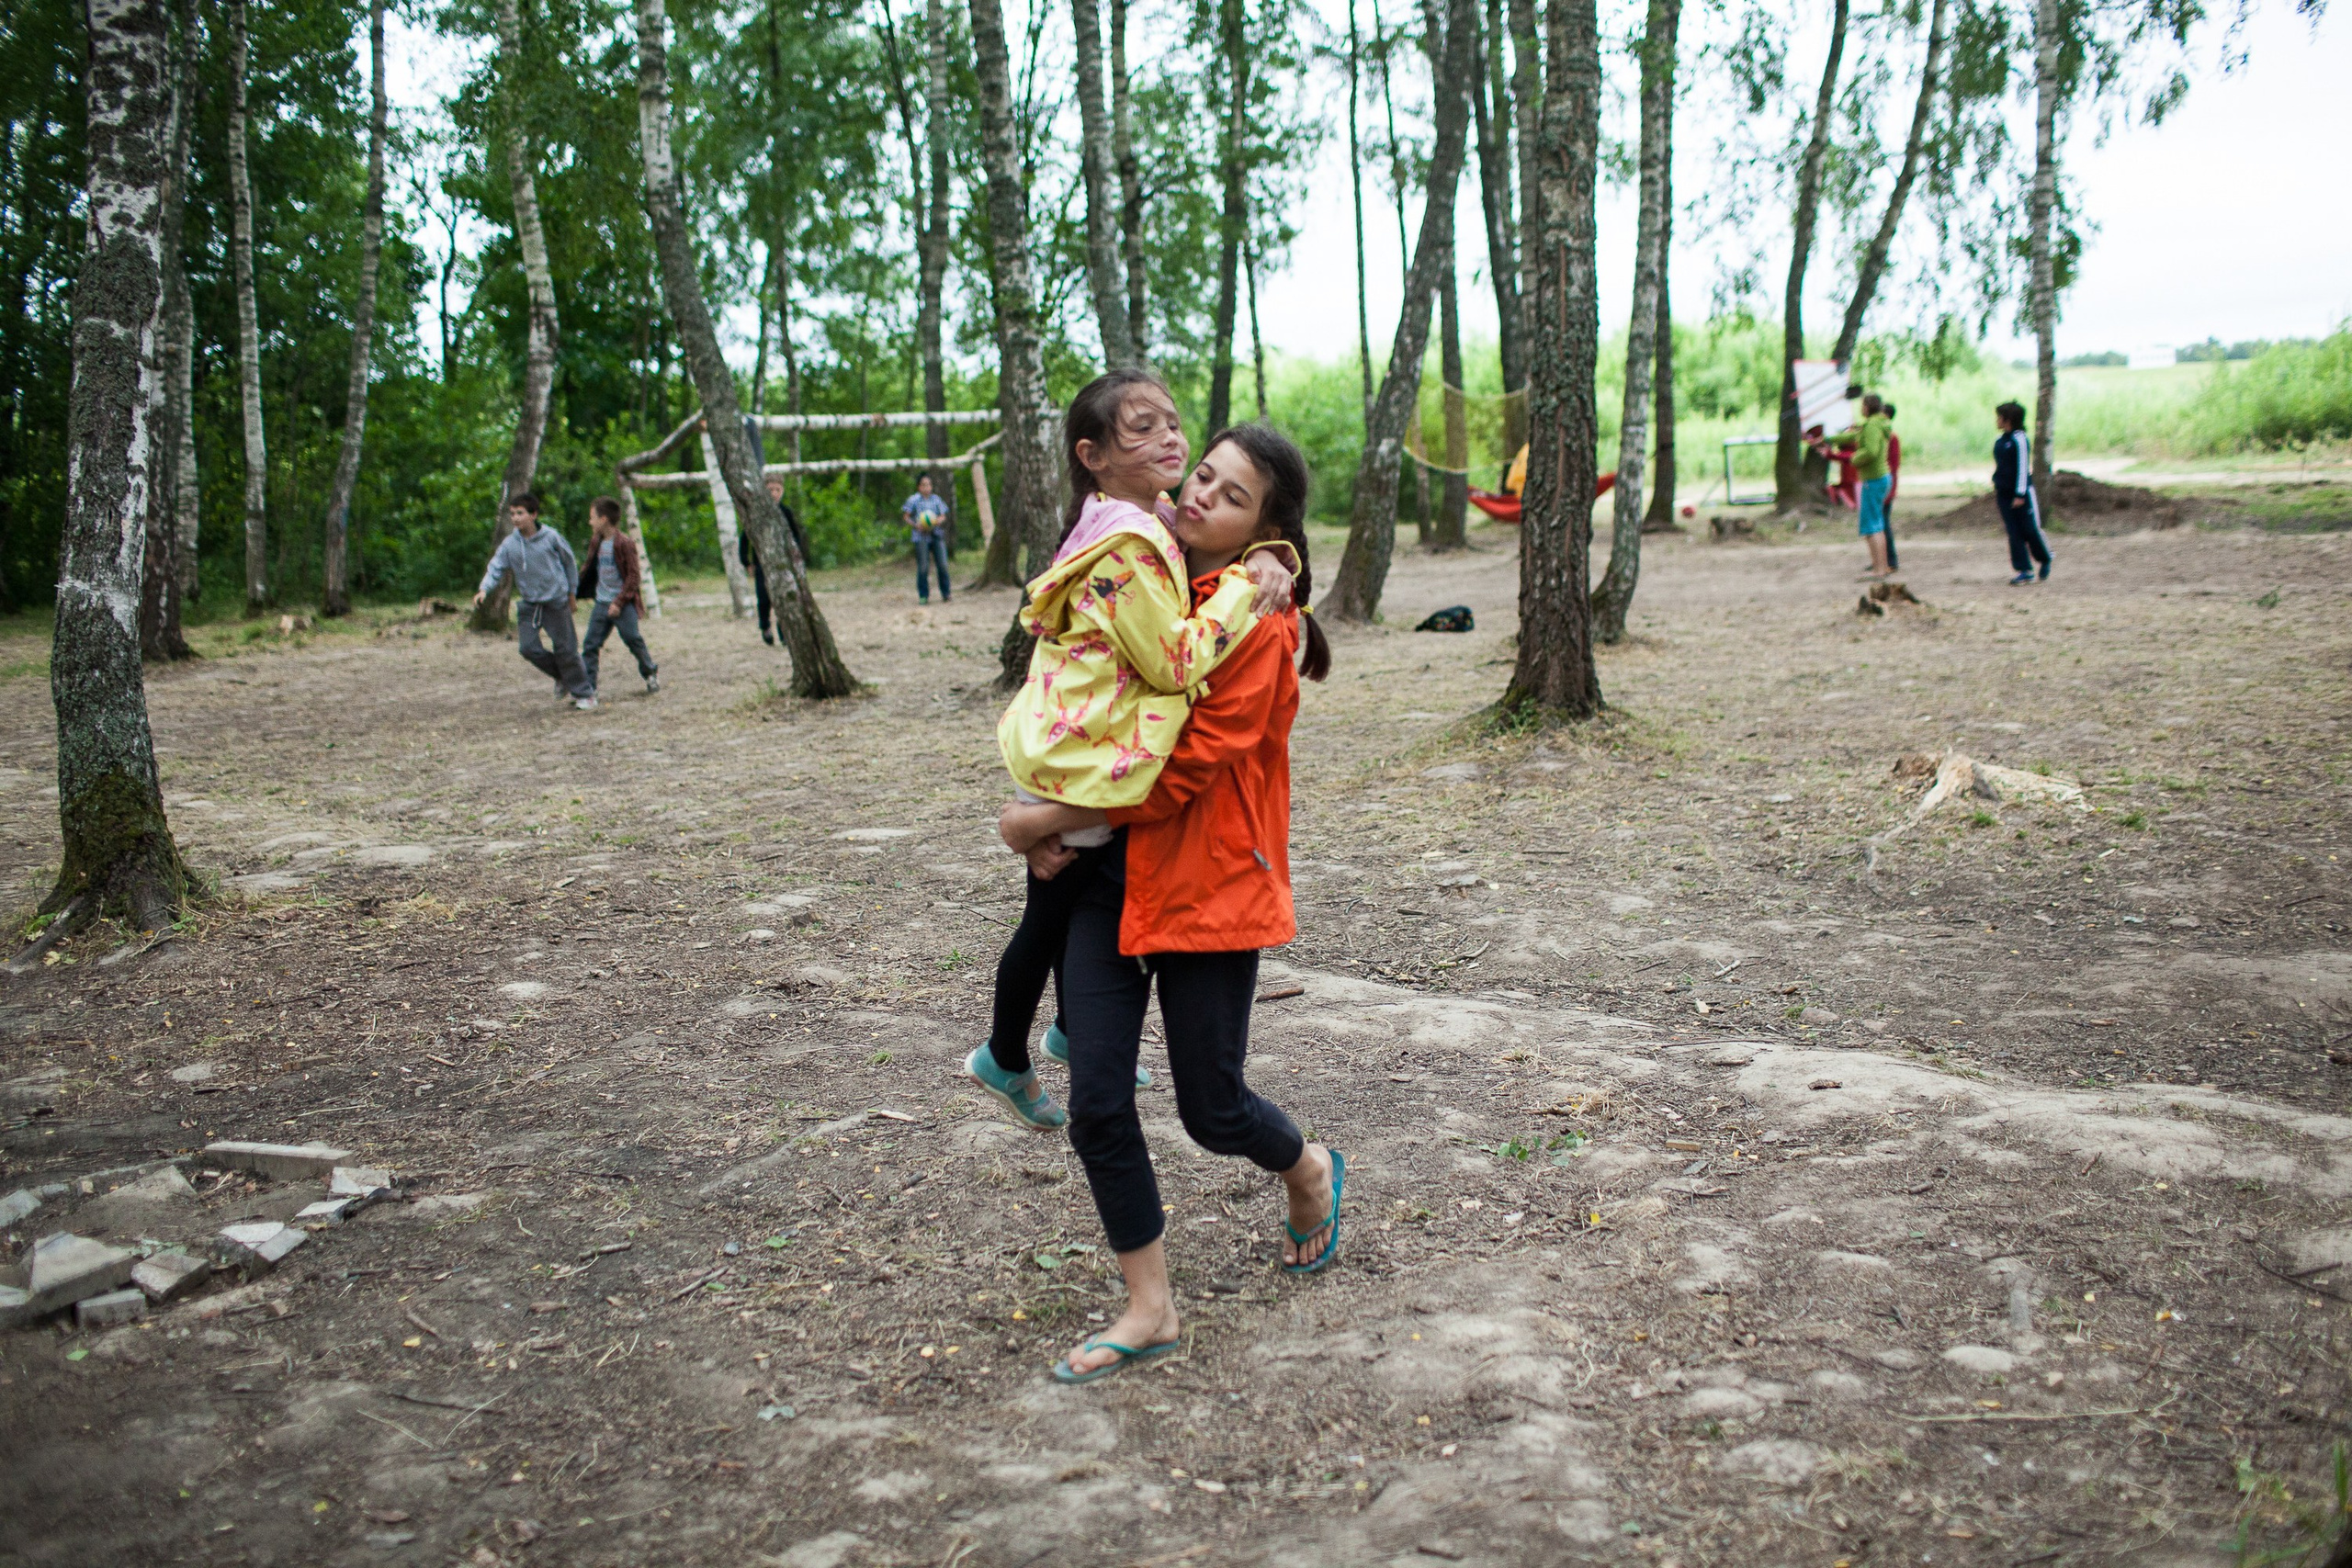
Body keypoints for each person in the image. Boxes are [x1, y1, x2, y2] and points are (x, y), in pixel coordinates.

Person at [999, 423, 1341, 1384]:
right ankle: (1149, 1308)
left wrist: (1039, 821)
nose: (1200, 498)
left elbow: (1179, 769)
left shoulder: (1261, 627)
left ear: (1265, 530)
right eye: (1202, 477)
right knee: (1098, 1099)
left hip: (1209, 888)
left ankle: (1307, 1169)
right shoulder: (1138, 565)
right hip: (1111, 881)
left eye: (1232, 498)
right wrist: (1062, 825)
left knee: (1212, 1108)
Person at [966, 369, 1296, 1130]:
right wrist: (1036, 819)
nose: (1174, 446)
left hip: (1088, 754)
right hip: (1092, 760)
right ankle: (1010, 1055)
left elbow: (1245, 535)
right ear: (1093, 454)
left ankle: (1059, 1036)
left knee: (1065, 899)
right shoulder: (1132, 544)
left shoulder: (1139, 519)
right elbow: (1176, 664)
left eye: (1174, 425)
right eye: (1144, 430)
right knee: (1055, 905)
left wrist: (1274, 556)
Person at [473, 492, 595, 711]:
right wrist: (484, 589)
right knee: (528, 648)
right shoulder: (511, 544)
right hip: (530, 604)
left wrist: (571, 594)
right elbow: (496, 566)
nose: (516, 518)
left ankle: (585, 694)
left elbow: (569, 564)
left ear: (533, 515)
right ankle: (561, 676)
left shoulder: (551, 537)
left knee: (566, 650)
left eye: (520, 513)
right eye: (512, 514)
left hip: (556, 601)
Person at [576, 497, 659, 696]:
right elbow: (589, 567)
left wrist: (619, 602)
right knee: (590, 645)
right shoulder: (596, 542)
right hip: (601, 602)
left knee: (632, 638)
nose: (590, 522)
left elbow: (633, 576)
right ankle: (589, 689)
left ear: (603, 519)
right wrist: (576, 588)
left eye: (592, 518)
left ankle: (650, 673)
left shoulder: (624, 543)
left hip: (622, 603)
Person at [741, 477, 817, 646]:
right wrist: (746, 562)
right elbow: (745, 539)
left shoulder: (786, 512)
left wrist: (795, 559)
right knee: (764, 598)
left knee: (783, 599)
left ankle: (784, 633)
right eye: (770, 490)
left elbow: (795, 537)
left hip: (783, 564)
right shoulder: (757, 513)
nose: (774, 494)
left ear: (782, 491)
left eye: (777, 490)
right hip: (762, 564)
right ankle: (765, 626)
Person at [1828, 393, 1895, 580]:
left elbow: (1871, 451)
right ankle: (1881, 567)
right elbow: (1853, 435)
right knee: (1878, 525)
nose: (1860, 408)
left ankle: (1879, 569)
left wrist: (1854, 459)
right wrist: (1828, 439)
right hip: (1880, 478)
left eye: (1862, 405)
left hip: (1873, 480)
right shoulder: (1877, 423)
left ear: (1868, 407)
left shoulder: (1873, 425)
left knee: (1870, 526)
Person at [1993, 400, 2052, 585]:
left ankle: (2044, 557)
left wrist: (2019, 494)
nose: (1997, 420)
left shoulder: (2020, 439)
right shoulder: (2001, 441)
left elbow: (2023, 468)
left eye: (1999, 417)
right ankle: (2024, 569)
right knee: (2013, 532)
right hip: (2004, 493)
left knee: (2029, 530)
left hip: (2022, 494)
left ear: (2007, 419)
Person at [902, 474, 952, 604]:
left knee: (943, 565)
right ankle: (923, 596)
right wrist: (916, 525)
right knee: (923, 567)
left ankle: (946, 593)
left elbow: (943, 516)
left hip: (936, 535)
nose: (927, 487)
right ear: (919, 487)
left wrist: (935, 521)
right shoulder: (913, 500)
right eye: (924, 485)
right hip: (920, 537)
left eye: (929, 484)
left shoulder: (936, 500)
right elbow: (906, 516)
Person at [1882, 400, 1903, 572]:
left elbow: (1894, 465)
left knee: (1884, 522)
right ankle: (1882, 559)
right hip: (1884, 483)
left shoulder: (1891, 437)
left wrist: (1891, 488)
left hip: (1887, 484)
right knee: (1879, 523)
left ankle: (1891, 560)